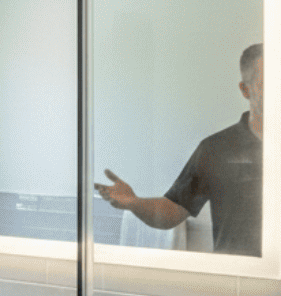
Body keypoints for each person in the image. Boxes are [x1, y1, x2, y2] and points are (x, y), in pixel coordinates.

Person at [94, 42, 263, 255]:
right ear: (245, 90)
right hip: (234, 279)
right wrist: (133, 203)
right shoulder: (217, 150)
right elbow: (171, 211)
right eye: (266, 85)